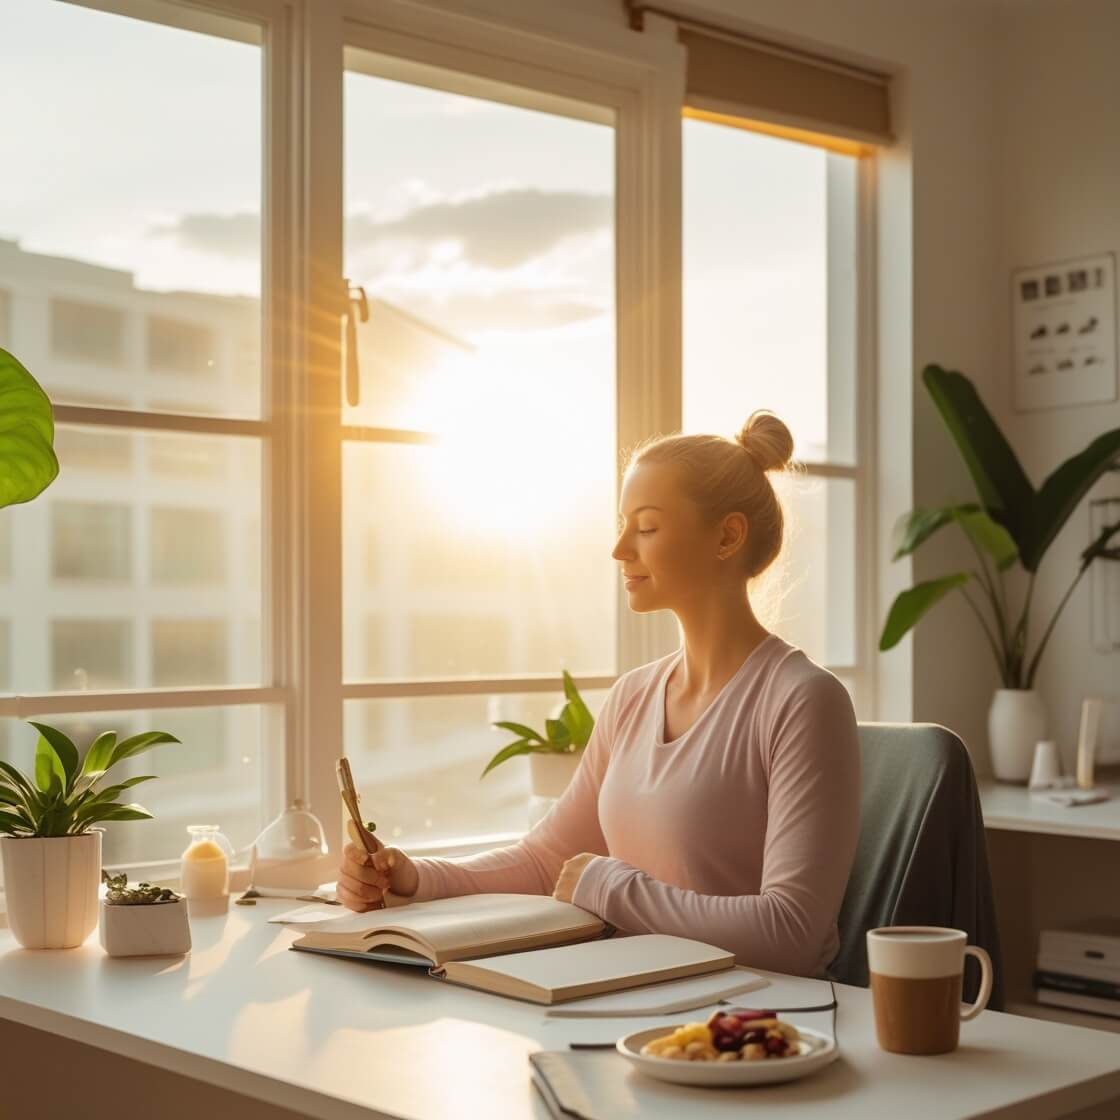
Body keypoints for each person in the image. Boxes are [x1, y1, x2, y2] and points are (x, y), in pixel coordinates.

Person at [337, 411, 861, 978]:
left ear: (728, 536)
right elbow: (546, 861)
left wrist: (613, 888)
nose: (619, 549)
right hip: (632, 1003)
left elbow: (793, 934)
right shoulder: (633, 697)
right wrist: (413, 877)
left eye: (648, 527)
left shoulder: (804, 702)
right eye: (621, 523)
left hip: (756, 1029)